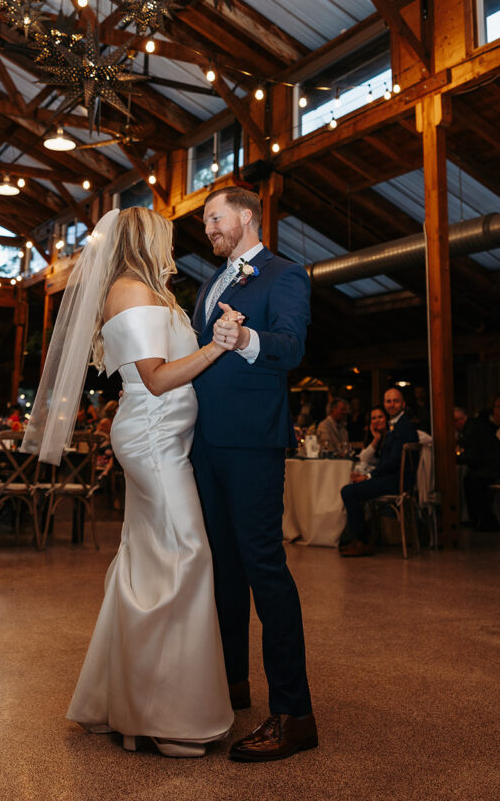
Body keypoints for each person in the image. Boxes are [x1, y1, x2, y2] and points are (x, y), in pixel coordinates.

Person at [23, 207, 235, 758]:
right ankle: (168, 718)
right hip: (154, 440)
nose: (172, 243)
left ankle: (134, 709)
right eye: (165, 235)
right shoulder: (134, 291)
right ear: (146, 240)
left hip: (163, 437)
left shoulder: (147, 291)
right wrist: (217, 345)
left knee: (148, 560)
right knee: (186, 553)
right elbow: (157, 379)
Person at [190, 186, 316, 763]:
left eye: (215, 217)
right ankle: (232, 684)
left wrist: (244, 338)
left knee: (265, 569)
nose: (208, 228)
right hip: (205, 444)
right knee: (222, 567)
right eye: (206, 221)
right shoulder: (208, 283)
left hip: (253, 445)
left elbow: (289, 347)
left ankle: (294, 714)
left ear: (244, 216)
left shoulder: (286, 275)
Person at [339, 386, 419, 557]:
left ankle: (363, 540)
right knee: (353, 487)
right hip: (392, 477)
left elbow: (394, 462)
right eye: (388, 401)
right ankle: (361, 538)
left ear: (403, 404)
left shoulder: (404, 427)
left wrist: (369, 476)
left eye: (396, 401)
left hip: (398, 480)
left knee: (349, 491)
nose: (392, 405)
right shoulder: (395, 426)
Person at [454, 406, 500, 531]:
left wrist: (458, 458)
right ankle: (480, 520)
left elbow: (474, 455)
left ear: (459, 420)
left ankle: (484, 520)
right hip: (491, 464)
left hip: (495, 466)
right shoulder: (473, 426)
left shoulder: (472, 429)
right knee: (470, 480)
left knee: (474, 482)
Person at [353, 406, 387, 475]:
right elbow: (363, 458)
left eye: (380, 417)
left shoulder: (391, 436)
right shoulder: (371, 437)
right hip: (370, 474)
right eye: (374, 418)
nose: (377, 421)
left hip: (381, 475)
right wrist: (376, 439)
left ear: (386, 418)